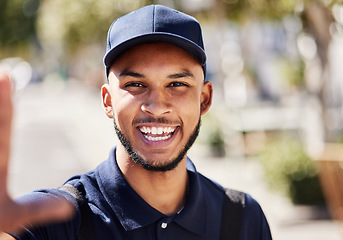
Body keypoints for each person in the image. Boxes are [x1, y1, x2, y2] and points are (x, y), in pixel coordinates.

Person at [0, 4, 272, 240]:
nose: (156, 106)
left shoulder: (244, 219)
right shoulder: (58, 221)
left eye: (177, 84)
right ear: (107, 101)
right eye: (136, 84)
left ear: (204, 99)